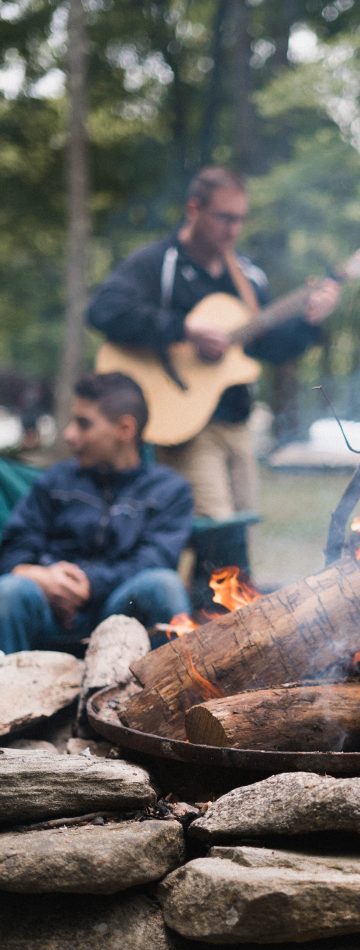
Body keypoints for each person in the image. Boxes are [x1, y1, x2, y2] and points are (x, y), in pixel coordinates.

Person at [86, 165, 340, 519]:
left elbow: (267, 348)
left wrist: (309, 323)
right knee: (216, 526)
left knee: (242, 525)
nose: (233, 229)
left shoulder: (248, 277)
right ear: (194, 209)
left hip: (237, 423)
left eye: (240, 219)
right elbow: (103, 310)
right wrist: (183, 329)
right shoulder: (160, 262)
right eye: (224, 218)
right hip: (184, 424)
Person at [0, 372, 193, 654]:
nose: (69, 435)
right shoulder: (55, 481)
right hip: (50, 610)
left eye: (83, 424)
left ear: (125, 429)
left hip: (119, 611)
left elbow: (154, 560)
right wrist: (41, 576)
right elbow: (15, 547)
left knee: (163, 585)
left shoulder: (170, 491)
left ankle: (177, 695)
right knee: (10, 591)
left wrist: (88, 583)